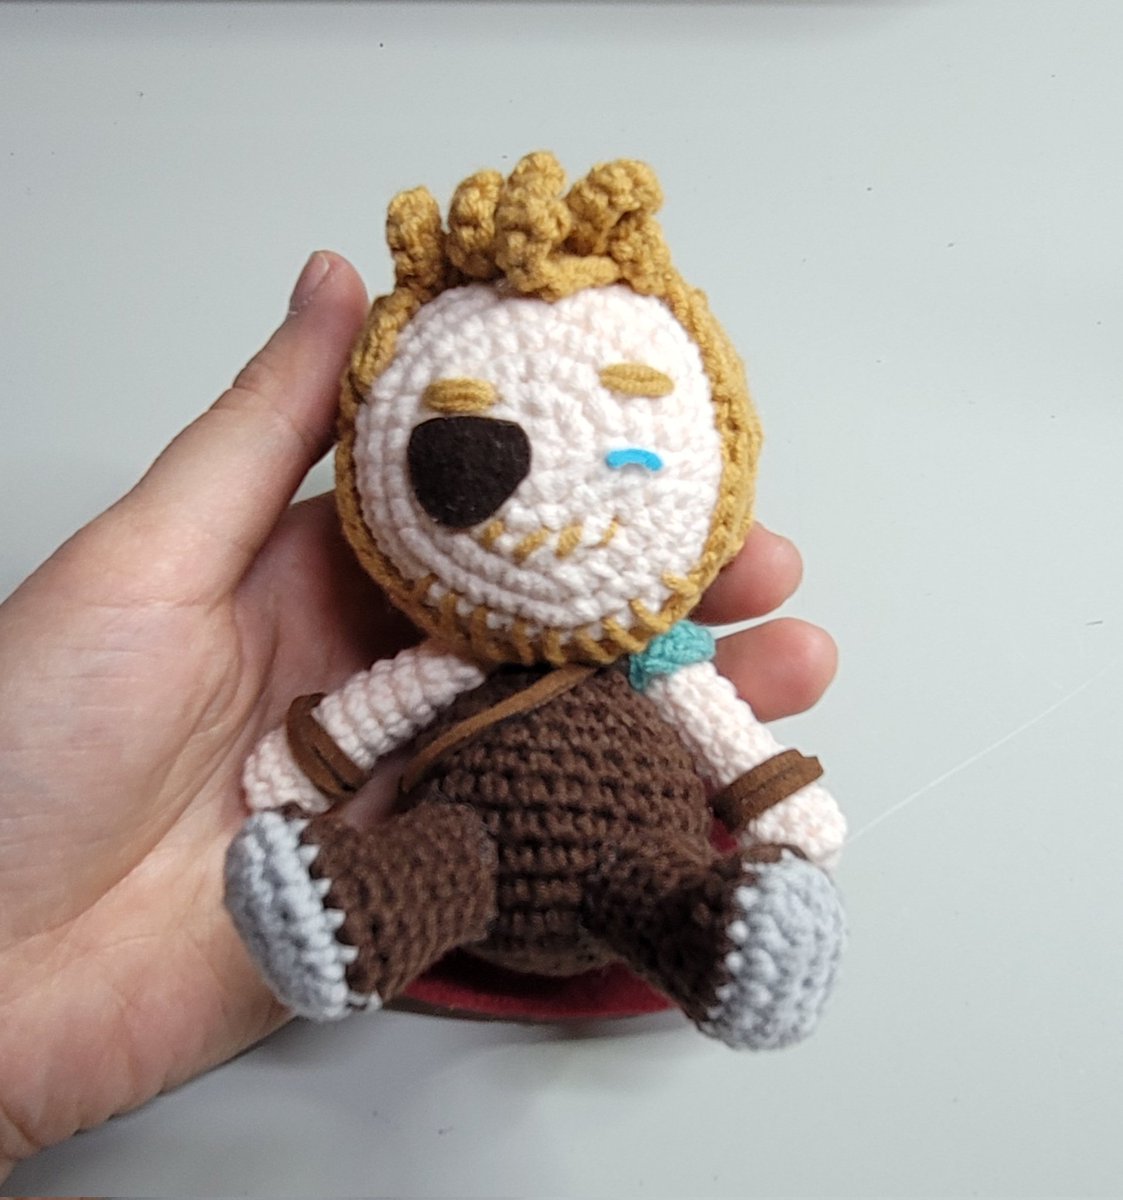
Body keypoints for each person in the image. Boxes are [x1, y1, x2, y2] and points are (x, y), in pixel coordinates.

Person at [0, 252, 837, 1176]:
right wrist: (311, 762)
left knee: (663, 890)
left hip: (637, 857)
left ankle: (726, 947)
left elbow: (716, 723)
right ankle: (345, 921)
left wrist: (773, 799)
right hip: (462, 851)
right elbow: (386, 702)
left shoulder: (652, 656)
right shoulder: (455, 656)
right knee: (430, 862)